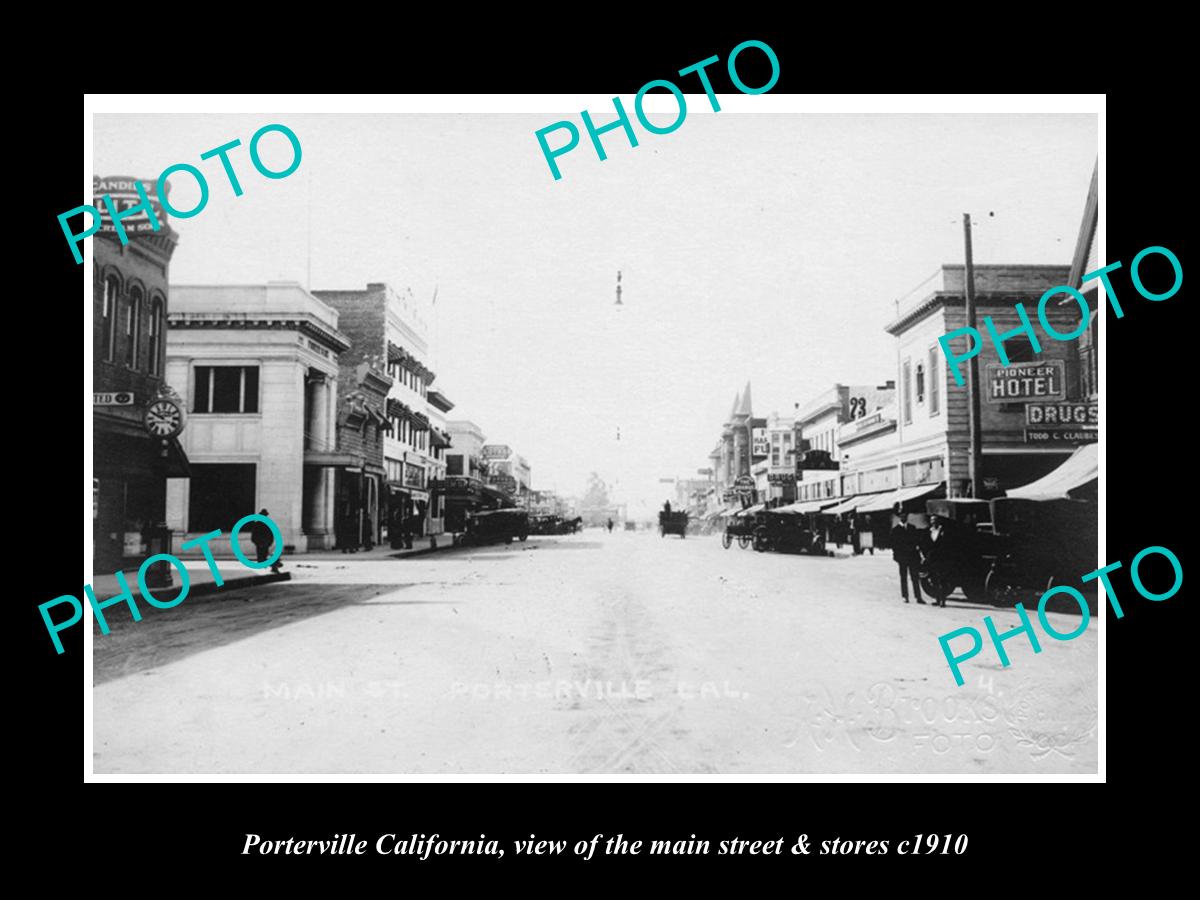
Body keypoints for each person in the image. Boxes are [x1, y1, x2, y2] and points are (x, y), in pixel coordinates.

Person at [890, 507, 923, 604]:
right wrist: (897, 556)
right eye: (902, 515)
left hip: (912, 556)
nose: (904, 517)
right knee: (903, 577)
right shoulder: (895, 530)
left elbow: (916, 541)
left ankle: (918, 597)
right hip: (902, 557)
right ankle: (905, 596)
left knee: (915, 577)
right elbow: (894, 545)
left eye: (905, 515)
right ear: (899, 517)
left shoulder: (912, 528)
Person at [250, 508, 283, 573]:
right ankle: (275, 564)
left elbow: (254, 535)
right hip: (264, 543)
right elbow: (271, 534)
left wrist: (256, 542)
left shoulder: (257, 524)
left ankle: (274, 565)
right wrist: (269, 542)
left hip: (260, 543)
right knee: (263, 558)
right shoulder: (268, 524)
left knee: (261, 559)